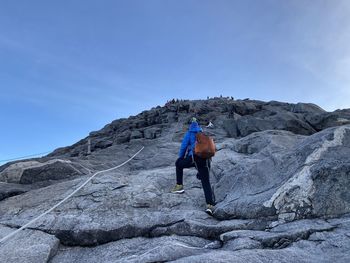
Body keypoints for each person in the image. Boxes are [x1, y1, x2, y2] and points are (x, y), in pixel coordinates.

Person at [171, 117, 215, 215]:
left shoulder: (189, 133)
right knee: (205, 182)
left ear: (190, 126)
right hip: (205, 159)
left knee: (178, 164)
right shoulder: (202, 132)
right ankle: (210, 205)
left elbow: (183, 147)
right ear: (198, 125)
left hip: (193, 158)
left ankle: (179, 186)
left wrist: (180, 158)